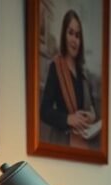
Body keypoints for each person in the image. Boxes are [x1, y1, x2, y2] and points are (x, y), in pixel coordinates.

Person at [39, 9, 99, 147]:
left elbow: (92, 109)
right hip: (62, 142)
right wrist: (68, 119)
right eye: (70, 33)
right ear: (64, 35)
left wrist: (92, 116)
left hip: (83, 143)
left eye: (77, 35)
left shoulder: (83, 74)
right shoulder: (56, 67)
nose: (74, 40)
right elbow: (44, 111)